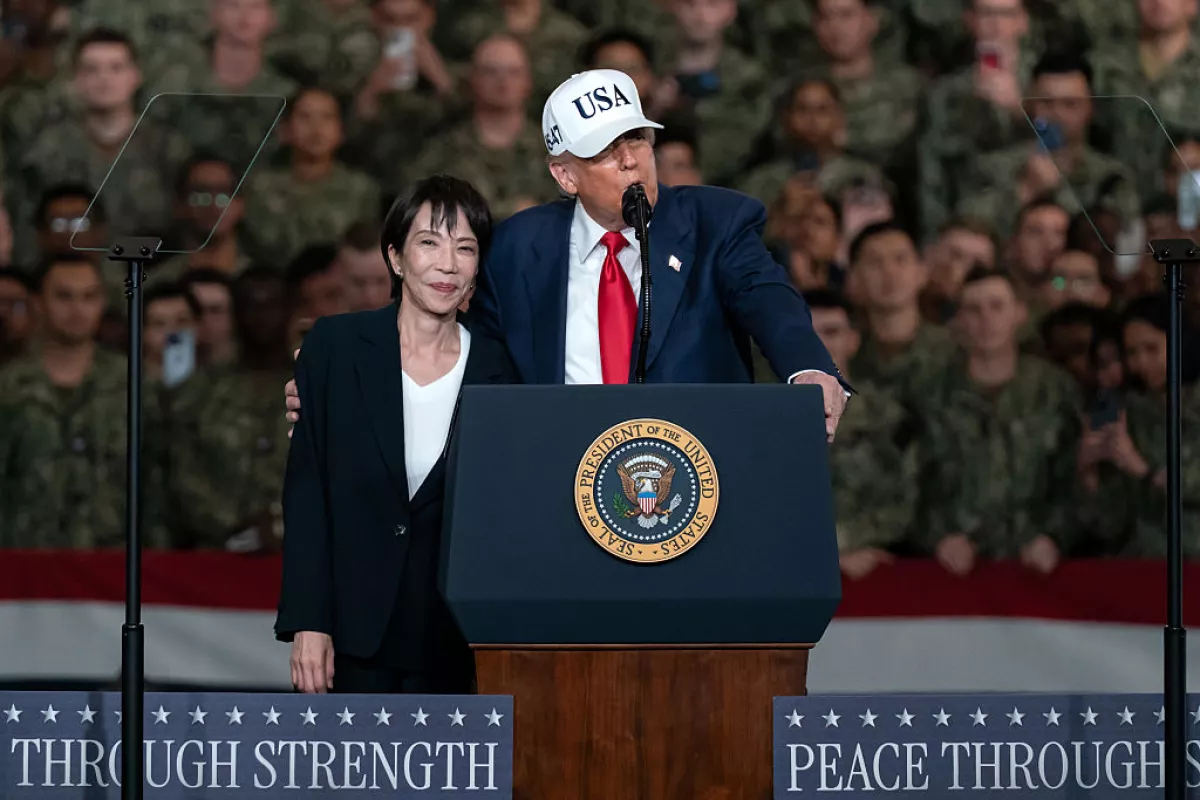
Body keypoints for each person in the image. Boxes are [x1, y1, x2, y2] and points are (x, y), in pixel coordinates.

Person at [286, 68, 849, 437]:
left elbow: (767, 298)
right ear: (564, 175)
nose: (631, 160)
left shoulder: (714, 222)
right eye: (606, 151)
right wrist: (346, 390)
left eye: (637, 140)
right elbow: (455, 353)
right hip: (558, 488)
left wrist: (810, 368)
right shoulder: (515, 248)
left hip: (701, 480)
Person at [276, 175, 518, 694]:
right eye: (429, 242)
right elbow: (307, 494)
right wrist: (308, 621)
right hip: (352, 637)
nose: (447, 263)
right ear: (396, 258)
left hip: (460, 643)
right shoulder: (335, 348)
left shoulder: (502, 370)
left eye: (465, 248)